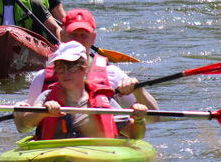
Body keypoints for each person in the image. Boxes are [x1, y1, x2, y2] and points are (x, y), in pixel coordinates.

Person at [23, 8, 159, 114]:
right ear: (62, 36)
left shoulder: (112, 74)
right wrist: (21, 110)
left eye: (84, 35)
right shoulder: (42, 77)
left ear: (93, 38)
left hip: (100, 145)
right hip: (56, 147)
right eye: (73, 34)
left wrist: (138, 91)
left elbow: (154, 118)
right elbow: (23, 127)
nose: (78, 40)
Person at [14, 41, 149, 140]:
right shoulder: (47, 96)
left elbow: (134, 134)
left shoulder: (102, 99)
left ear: (84, 68)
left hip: (95, 159)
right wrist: (43, 112)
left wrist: (138, 120)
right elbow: (26, 122)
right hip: (55, 156)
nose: (65, 74)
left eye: (71, 67)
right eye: (60, 68)